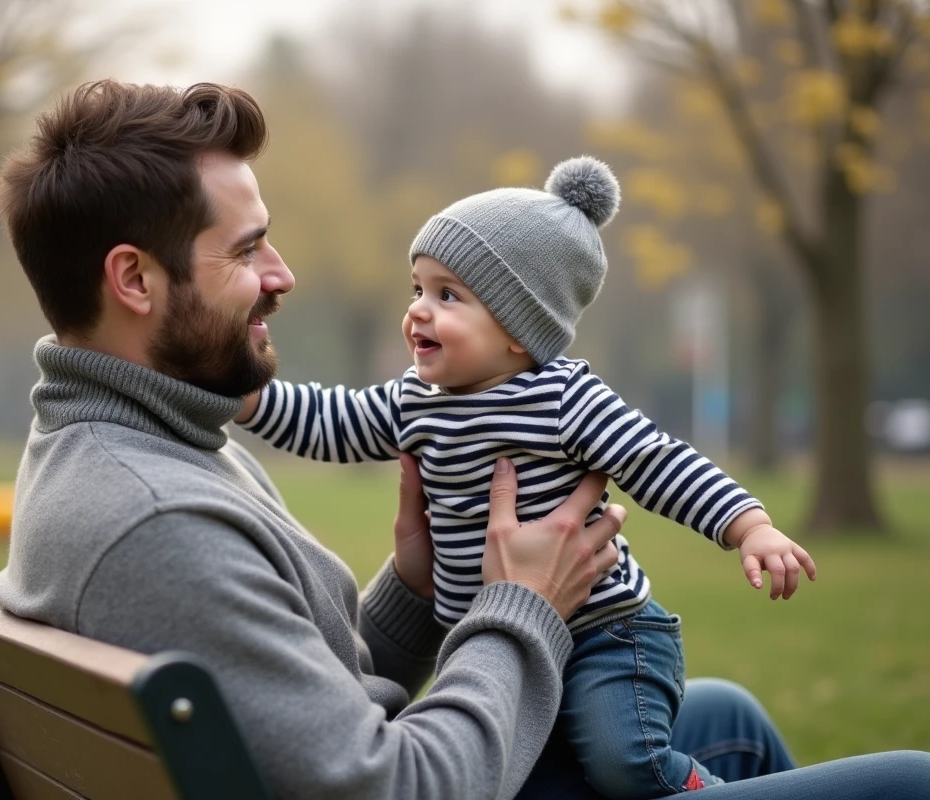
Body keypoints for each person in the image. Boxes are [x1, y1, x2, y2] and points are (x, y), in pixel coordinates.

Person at [0, 79, 930, 799]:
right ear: (135, 279)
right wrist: (524, 605)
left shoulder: (141, 447)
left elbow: (294, 699)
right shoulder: (156, 522)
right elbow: (393, 785)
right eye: (244, 250)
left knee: (722, 716)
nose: (282, 275)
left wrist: (408, 584)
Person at [232, 157, 817, 797]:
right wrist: (249, 397)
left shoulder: (565, 398)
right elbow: (331, 421)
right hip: (486, 635)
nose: (419, 312)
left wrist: (749, 526)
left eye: (448, 295)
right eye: (417, 289)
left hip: (604, 636)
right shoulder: (413, 401)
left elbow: (659, 461)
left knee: (627, 765)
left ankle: (701, 788)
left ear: (520, 329)